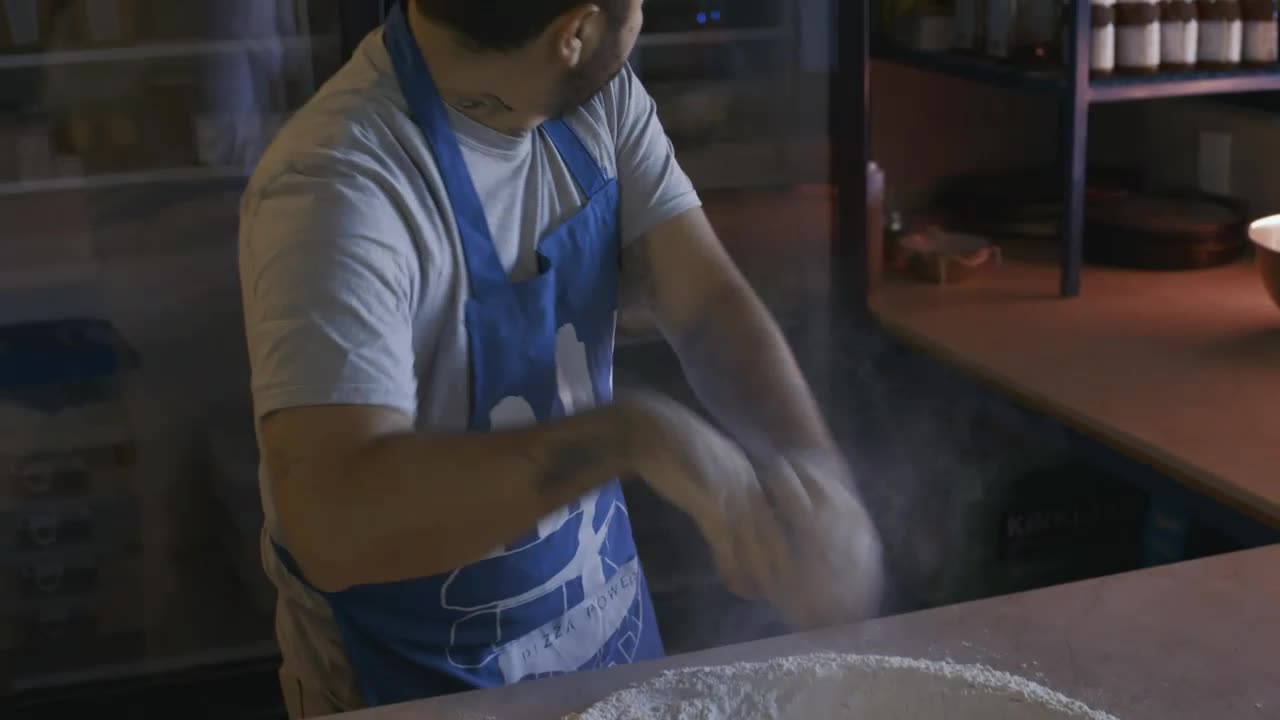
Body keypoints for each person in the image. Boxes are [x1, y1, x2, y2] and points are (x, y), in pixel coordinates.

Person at [237, 0, 884, 717]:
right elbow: (334, 519)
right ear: (572, 33)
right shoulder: (338, 187)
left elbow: (706, 305)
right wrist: (633, 434)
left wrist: (811, 467)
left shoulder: (596, 100)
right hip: (412, 686)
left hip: (607, 656)